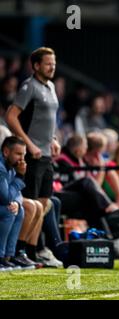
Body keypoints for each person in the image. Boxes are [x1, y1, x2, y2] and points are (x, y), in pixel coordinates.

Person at [5, 47, 61, 219]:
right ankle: (23, 246)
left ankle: (35, 246)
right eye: (47, 64)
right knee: (30, 205)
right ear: (36, 66)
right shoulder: (29, 86)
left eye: (54, 64)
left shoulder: (51, 86)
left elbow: (47, 118)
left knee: (44, 203)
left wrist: (53, 138)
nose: (52, 67)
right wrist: (29, 145)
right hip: (32, 156)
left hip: (46, 155)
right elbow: (11, 116)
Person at [0, 136, 27, 270]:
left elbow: (17, 194)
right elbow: (5, 198)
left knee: (19, 210)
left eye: (23, 154)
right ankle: (1, 257)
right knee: (8, 211)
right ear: (6, 152)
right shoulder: (0, 167)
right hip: (2, 204)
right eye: (18, 154)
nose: (22, 159)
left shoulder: (10, 165)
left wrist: (16, 202)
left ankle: (7, 257)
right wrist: (20, 176)